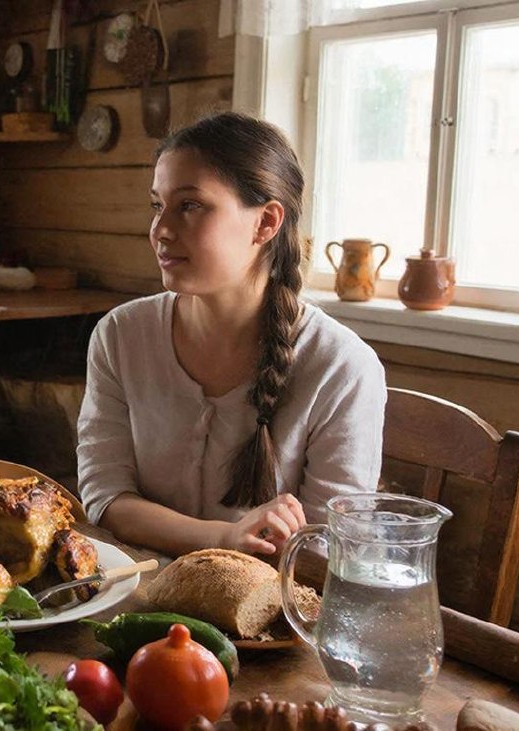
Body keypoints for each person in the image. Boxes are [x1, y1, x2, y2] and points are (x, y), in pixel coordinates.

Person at [76, 112, 386, 558]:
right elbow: (105, 496)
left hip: (269, 615)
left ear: (265, 223)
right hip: (137, 599)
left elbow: (328, 551)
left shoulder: (342, 367)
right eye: (157, 206)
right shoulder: (121, 335)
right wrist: (220, 538)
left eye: (190, 205)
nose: (161, 230)